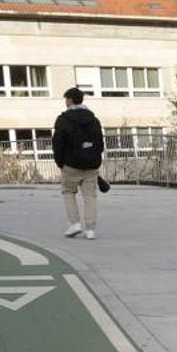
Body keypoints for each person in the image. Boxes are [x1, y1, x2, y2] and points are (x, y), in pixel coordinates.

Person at [52, 87, 103, 239]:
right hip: (91, 165)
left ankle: (75, 224)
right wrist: (95, 159)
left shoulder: (63, 120)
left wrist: (60, 162)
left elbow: (58, 143)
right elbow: (100, 143)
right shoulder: (94, 120)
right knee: (90, 196)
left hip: (70, 165)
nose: (65, 102)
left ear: (70, 100)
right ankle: (90, 229)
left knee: (68, 192)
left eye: (66, 99)